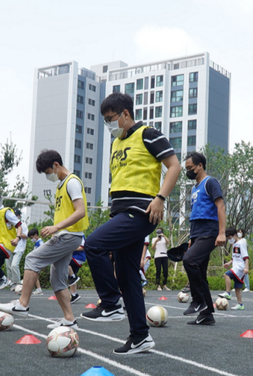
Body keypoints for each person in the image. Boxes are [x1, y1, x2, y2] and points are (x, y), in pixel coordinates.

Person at [81, 92, 180, 354]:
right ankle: (140, 336)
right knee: (127, 277)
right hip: (121, 213)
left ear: (126, 114)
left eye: (111, 119)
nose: (109, 125)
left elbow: (174, 166)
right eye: (105, 121)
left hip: (141, 211)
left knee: (93, 245)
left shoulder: (148, 134)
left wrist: (160, 198)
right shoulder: (116, 143)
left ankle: (111, 303)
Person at [0, 149, 88, 330]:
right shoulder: (61, 185)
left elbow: (81, 211)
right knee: (57, 279)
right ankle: (69, 319)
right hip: (65, 235)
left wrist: (57, 227)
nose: (48, 176)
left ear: (56, 165)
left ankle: (22, 304)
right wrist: (56, 230)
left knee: (32, 259)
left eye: (47, 173)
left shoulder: (72, 182)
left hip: (70, 235)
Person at [183, 151, 226, 325]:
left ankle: (198, 300)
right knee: (199, 271)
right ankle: (207, 313)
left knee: (189, 260)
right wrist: (191, 237)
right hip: (197, 232)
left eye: (190, 168)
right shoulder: (194, 188)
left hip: (209, 231)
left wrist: (221, 232)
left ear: (200, 166)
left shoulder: (210, 182)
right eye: (186, 168)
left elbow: (220, 205)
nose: (188, 171)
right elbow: (196, 213)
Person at [218, 228, 248, 310]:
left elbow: (246, 257)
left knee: (226, 274)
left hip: (240, 267)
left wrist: (246, 267)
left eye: (230, 238)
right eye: (228, 238)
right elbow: (234, 257)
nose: (229, 240)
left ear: (235, 235)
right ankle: (240, 304)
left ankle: (228, 292)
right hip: (236, 266)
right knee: (237, 288)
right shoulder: (234, 245)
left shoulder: (240, 244)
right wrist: (229, 263)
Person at [6, 209, 28, 291]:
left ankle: (17, 284)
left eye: (16, 215)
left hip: (19, 248)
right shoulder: (9, 224)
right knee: (8, 267)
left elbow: (26, 236)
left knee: (14, 265)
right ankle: (10, 283)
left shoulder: (23, 225)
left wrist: (18, 234)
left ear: (19, 216)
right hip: (9, 248)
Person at [68, 237, 86, 303]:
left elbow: (82, 247)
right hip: (74, 257)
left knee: (65, 262)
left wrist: (71, 249)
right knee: (71, 277)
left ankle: (73, 277)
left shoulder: (80, 236)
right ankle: (74, 295)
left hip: (79, 257)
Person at [27, 228, 44, 295]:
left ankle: (38, 289)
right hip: (36, 261)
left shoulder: (40, 242)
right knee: (35, 275)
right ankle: (38, 289)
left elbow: (43, 252)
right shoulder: (37, 243)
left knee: (34, 274)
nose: (31, 239)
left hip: (39, 261)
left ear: (36, 235)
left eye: (32, 237)